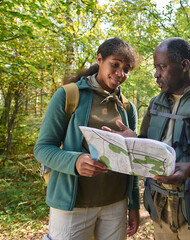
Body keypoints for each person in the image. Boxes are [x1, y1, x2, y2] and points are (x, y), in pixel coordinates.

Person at [112, 37, 190, 240]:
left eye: (162, 67)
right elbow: (147, 146)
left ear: (184, 65)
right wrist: (133, 141)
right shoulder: (155, 104)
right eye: (155, 67)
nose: (156, 74)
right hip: (159, 208)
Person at [34, 37, 140, 240]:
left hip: (115, 205)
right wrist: (75, 161)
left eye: (126, 69)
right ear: (100, 59)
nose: (120, 73)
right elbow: (43, 148)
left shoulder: (127, 107)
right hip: (73, 205)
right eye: (115, 64)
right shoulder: (68, 95)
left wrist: (133, 205)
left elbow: (131, 163)